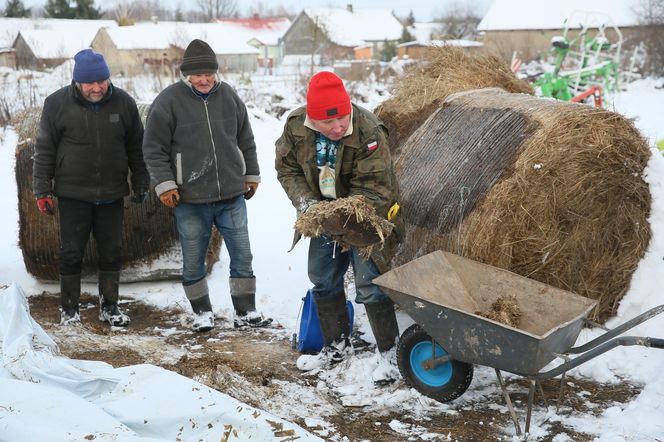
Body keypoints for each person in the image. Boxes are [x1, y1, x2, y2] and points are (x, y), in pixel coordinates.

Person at [275, 71, 402, 379]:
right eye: (327, 123)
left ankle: (390, 355)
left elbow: (376, 188)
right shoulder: (296, 126)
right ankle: (336, 347)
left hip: (364, 218)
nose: (336, 128)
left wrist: (344, 214)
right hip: (322, 215)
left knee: (370, 286)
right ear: (311, 120)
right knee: (322, 279)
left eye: (341, 120)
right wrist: (308, 205)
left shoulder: (368, 130)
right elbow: (287, 168)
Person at [142, 39, 269, 333]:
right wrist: (164, 183)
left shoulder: (229, 97)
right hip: (189, 198)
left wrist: (251, 174)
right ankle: (202, 312)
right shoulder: (168, 101)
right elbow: (153, 148)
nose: (204, 80)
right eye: (198, 75)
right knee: (193, 259)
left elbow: (246, 139)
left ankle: (245, 311)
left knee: (242, 255)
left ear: (216, 72)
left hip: (230, 195)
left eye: (209, 74)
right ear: (186, 75)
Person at [32, 48, 149, 327]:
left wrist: (142, 181)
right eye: (90, 83)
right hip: (73, 194)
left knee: (111, 251)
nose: (97, 88)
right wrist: (41, 190)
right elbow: (44, 149)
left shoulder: (123, 103)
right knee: (72, 251)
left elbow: (137, 148)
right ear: (78, 82)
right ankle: (69, 310)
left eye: (102, 81)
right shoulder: (57, 104)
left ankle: (109, 306)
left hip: (111, 193)